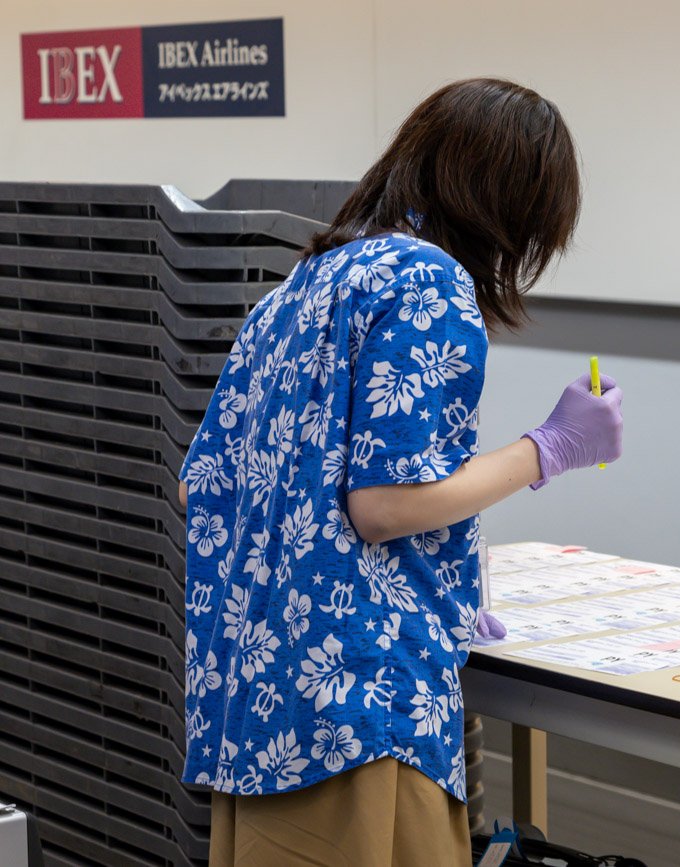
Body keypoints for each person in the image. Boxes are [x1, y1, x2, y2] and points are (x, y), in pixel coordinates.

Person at [177, 78, 623, 866]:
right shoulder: (428, 282)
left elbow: (204, 483)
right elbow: (383, 504)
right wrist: (549, 448)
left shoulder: (300, 287)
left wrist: (433, 581)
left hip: (256, 714)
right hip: (360, 712)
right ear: (502, 204)